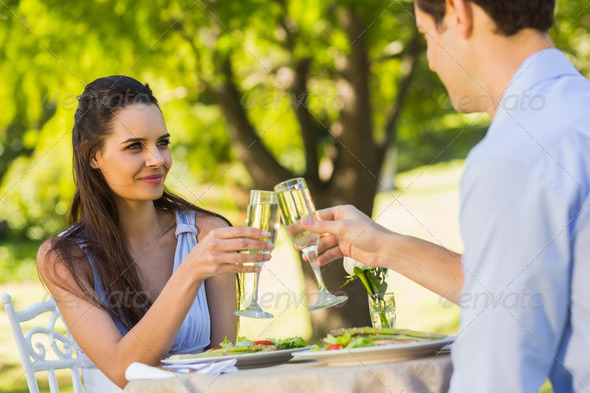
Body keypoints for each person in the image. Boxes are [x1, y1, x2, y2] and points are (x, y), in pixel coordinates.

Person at [302, 0, 590, 392]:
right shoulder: (574, 113)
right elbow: (529, 290)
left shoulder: (515, 155)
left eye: (426, 34)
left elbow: (493, 378)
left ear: (458, 12)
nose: (432, 60)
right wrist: (384, 247)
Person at [37, 76, 273, 392]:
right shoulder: (65, 258)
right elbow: (125, 372)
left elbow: (224, 360)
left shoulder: (206, 234)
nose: (157, 160)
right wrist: (191, 270)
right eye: (135, 146)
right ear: (93, 155)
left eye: (162, 143)